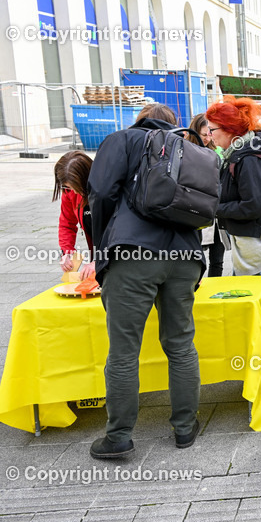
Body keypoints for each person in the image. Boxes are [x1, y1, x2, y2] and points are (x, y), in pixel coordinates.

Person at [86, 103, 206, 459]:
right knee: (181, 344)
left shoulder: (121, 140)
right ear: (174, 125)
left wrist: (104, 242)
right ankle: (185, 428)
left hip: (133, 255)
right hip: (185, 255)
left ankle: (119, 436)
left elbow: (101, 193)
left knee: (124, 351)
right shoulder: (190, 147)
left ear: (139, 120)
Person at [206, 96, 261, 276]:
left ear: (229, 130)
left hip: (252, 240)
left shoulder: (247, 159)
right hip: (247, 239)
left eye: (212, 129)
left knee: (248, 291)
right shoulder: (239, 154)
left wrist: (216, 208)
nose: (209, 135)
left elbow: (252, 206)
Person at [188, 113, 225, 278]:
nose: (208, 138)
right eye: (204, 134)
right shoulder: (186, 150)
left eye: (210, 133)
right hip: (194, 211)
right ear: (195, 132)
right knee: (195, 258)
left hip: (215, 212)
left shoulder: (217, 151)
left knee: (217, 259)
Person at [53, 150, 95, 280]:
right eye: (67, 187)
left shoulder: (108, 190)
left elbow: (118, 230)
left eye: (77, 187)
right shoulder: (69, 192)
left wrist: (101, 261)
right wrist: (67, 252)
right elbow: (67, 224)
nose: (74, 191)